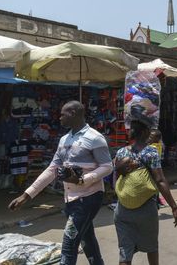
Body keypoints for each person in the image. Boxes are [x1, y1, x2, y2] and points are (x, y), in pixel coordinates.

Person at [8, 101, 113, 265]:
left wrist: (82, 180)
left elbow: (107, 167)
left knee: (68, 247)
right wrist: (27, 195)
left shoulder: (95, 138)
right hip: (70, 198)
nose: (59, 117)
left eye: (63, 114)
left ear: (74, 113)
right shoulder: (64, 139)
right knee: (87, 240)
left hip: (89, 197)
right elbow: (52, 169)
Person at [114, 120, 177, 265]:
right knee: (151, 247)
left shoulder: (121, 152)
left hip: (122, 209)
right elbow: (160, 180)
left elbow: (115, 180)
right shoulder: (151, 152)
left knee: (125, 252)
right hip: (146, 209)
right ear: (145, 133)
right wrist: (174, 207)